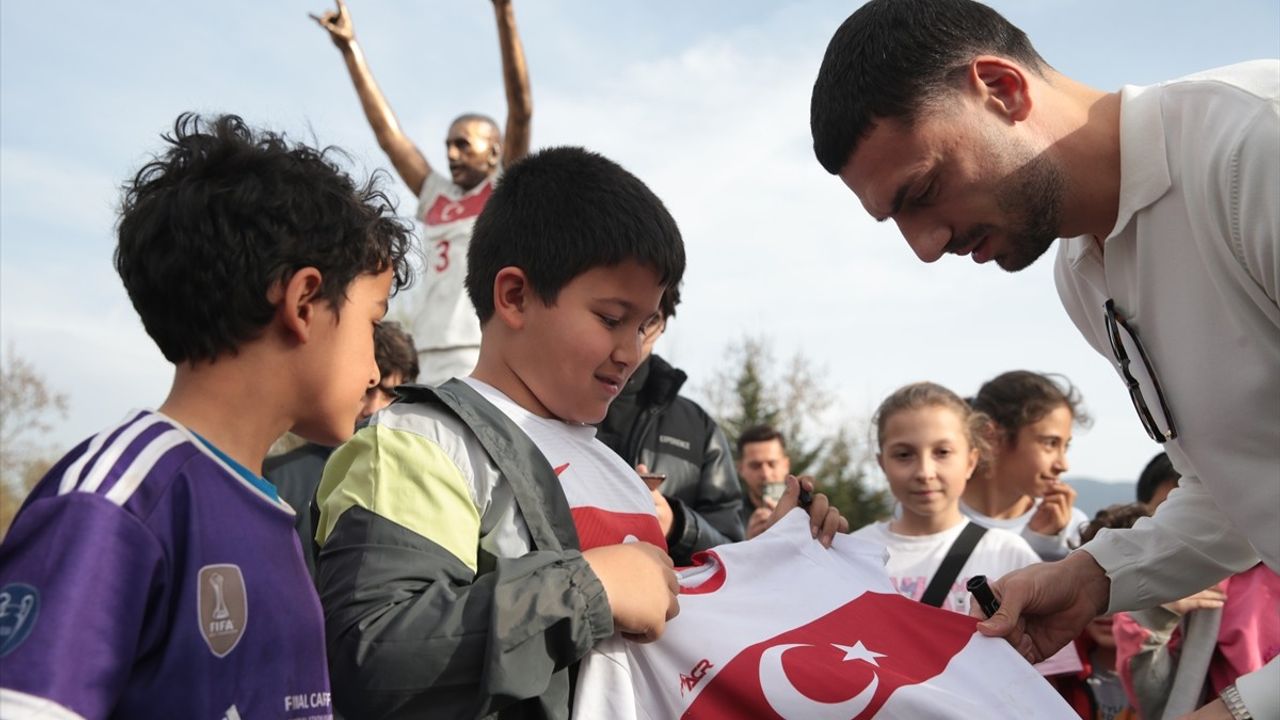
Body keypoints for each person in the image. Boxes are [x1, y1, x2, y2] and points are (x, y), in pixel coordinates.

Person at [810, 1, 1278, 715]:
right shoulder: (1081, 276)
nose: (925, 247)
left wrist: (1246, 709)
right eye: (895, 221)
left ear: (1002, 89)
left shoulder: (1256, 150)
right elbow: (1238, 487)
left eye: (924, 192)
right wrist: (1094, 575)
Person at [312, 146, 847, 718]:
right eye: (611, 319)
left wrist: (778, 561)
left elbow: (673, 639)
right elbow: (371, 656)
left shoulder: (615, 469)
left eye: (646, 325)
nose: (632, 351)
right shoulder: (417, 443)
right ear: (514, 296)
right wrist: (588, 591)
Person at [0, 113, 412, 718]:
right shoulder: (116, 502)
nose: (376, 372)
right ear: (303, 302)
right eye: (370, 324)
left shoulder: (271, 511)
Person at [312, 0, 532, 384]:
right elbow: (389, 136)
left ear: (494, 151)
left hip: (478, 347)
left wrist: (504, 13)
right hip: (427, 349)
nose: (451, 154)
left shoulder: (504, 187)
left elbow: (522, 108)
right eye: (448, 144)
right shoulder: (436, 195)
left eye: (463, 144)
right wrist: (351, 50)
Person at [852, 381, 1042, 616]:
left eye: (942, 452)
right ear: (883, 464)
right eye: (903, 455)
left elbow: (1052, 652)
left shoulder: (1009, 555)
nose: (924, 472)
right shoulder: (853, 555)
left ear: (971, 461)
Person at [1113, 457, 1279, 720]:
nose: (1185, 533)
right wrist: (1156, 614)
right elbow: (1156, 701)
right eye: (1169, 515)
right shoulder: (1195, 585)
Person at [595, 284, 746, 566]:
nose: (630, 341)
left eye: (647, 322)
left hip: (676, 607)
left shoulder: (698, 428)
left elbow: (734, 553)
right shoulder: (548, 409)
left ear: (663, 322)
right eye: (612, 317)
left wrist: (677, 526)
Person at [264, 320, 419, 580]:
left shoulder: (424, 481)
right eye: (368, 391)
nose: (375, 407)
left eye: (390, 394)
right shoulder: (279, 479)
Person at [962, 370, 1091, 560]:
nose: (1063, 465)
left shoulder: (1072, 526)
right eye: (1049, 443)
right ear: (991, 436)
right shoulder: (931, 521)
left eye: (1066, 446)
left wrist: (1049, 547)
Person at [1050, 504, 1147, 720]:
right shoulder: (1055, 673)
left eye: (1125, 591)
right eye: (1096, 591)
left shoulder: (1184, 671)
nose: (1108, 609)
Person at [735, 425, 793, 539]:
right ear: (740, 469)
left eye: (772, 464)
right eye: (755, 466)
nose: (765, 474)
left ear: (786, 465)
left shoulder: (808, 512)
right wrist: (745, 546)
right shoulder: (728, 517)